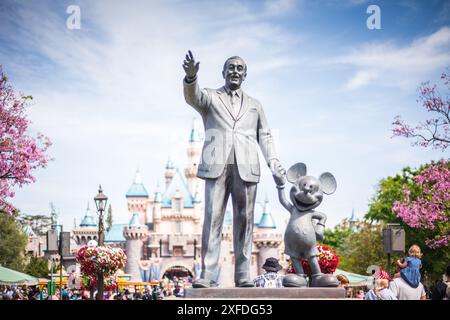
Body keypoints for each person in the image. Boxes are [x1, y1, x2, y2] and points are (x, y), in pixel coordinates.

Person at [183, 50, 285, 288]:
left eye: (240, 68)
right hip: (216, 165)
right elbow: (193, 97)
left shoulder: (255, 105)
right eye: (231, 67)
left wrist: (274, 163)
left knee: (245, 221)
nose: (235, 71)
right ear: (223, 72)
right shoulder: (210, 97)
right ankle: (208, 275)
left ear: (245, 74)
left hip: (247, 166)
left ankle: (242, 275)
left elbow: (266, 136)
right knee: (213, 219)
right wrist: (190, 78)